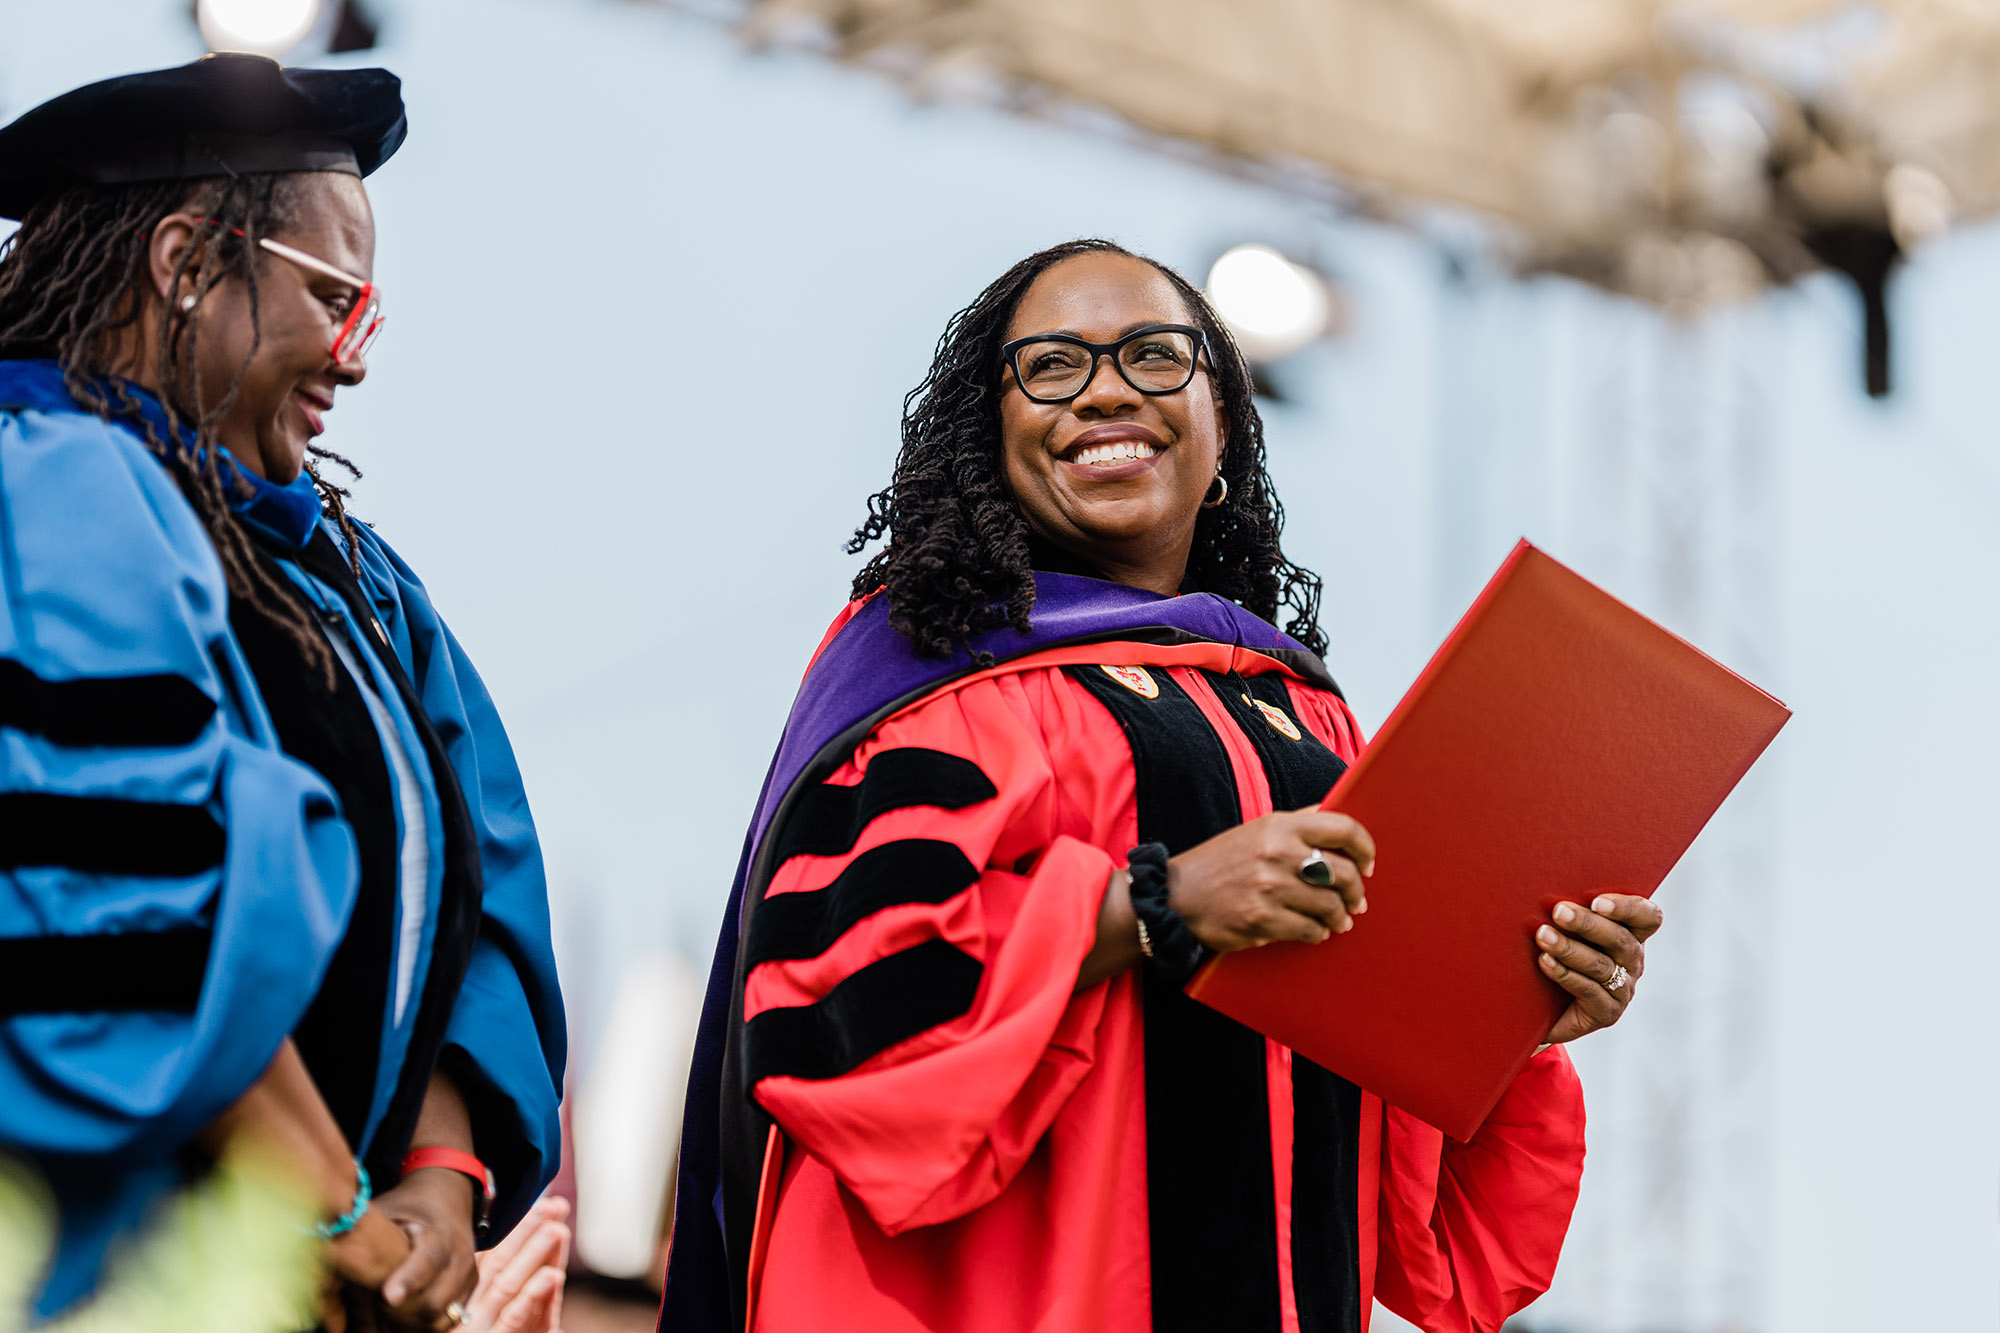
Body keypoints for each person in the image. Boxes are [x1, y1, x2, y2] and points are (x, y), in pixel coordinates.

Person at [661, 239, 1664, 1333]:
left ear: (1222, 422)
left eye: (1153, 357)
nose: (1103, 389)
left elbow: (1396, 1182)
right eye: (1050, 367)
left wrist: (1502, 1006)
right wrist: (1157, 905)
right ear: (987, 439)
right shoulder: (930, 684)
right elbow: (845, 1008)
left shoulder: (1305, 719)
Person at [0, 55, 564, 1326]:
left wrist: (435, 1175)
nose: (352, 362)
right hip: (97, 1260)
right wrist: (324, 1204)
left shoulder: (353, 582)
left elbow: (469, 887)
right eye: (333, 301)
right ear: (188, 260)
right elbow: (123, 895)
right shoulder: (43, 485)